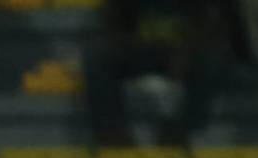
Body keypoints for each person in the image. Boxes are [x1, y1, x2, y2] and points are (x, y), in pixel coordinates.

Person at [83, 0, 237, 148]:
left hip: (185, 48)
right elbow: (111, 21)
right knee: (97, 57)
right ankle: (114, 137)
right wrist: (129, 42)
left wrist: (188, 50)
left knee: (213, 60)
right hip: (138, 46)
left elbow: (212, 21)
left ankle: (179, 132)